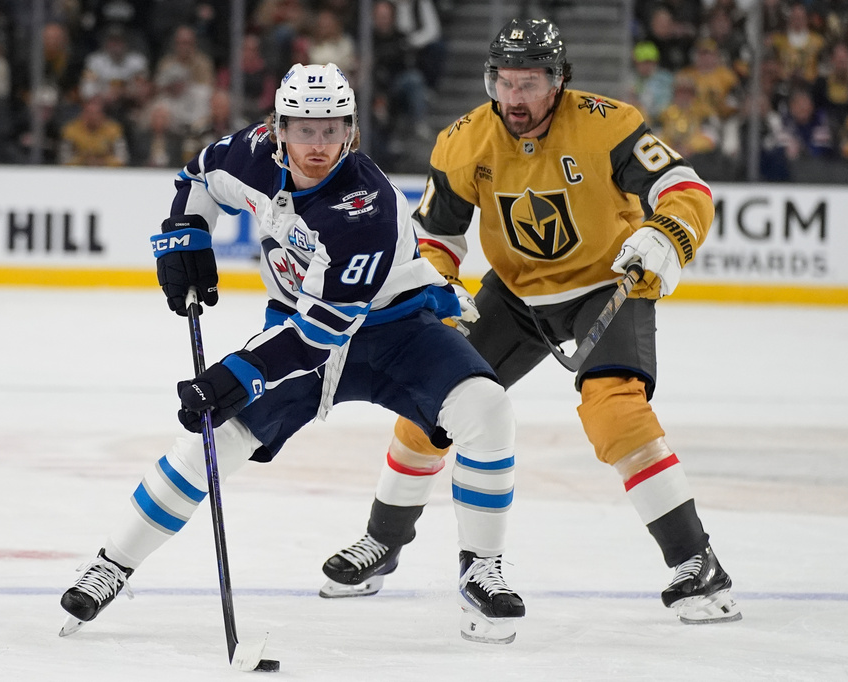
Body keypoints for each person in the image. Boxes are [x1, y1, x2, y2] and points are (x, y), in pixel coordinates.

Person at [59, 63, 526, 645]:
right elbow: (197, 179)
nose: (318, 145)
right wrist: (188, 234)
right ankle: (112, 564)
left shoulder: (366, 208)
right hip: (300, 324)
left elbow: (322, 332)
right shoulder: (249, 154)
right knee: (215, 437)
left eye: (332, 129)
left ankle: (481, 566)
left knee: (486, 409)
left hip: (397, 329)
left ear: (351, 131)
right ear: (278, 128)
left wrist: (239, 374)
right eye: (305, 129)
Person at [320, 19, 743, 625]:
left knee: (616, 413)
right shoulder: (464, 141)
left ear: (559, 80)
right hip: (516, 292)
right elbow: (437, 234)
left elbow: (684, 187)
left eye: (531, 83)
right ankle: (384, 540)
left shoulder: (609, 124)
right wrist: (437, 286)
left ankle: (696, 560)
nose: (516, 98)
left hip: (607, 284)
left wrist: (667, 233)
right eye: (505, 82)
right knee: (428, 402)